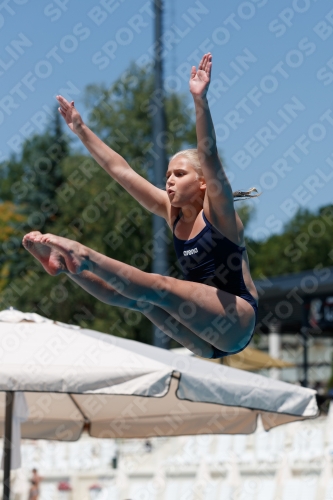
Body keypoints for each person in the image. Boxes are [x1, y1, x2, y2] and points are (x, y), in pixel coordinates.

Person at [22, 53, 259, 359]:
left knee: (158, 286)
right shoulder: (172, 211)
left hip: (236, 320)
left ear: (203, 183)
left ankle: (82, 254)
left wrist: (200, 101)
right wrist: (82, 130)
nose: (169, 181)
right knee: (141, 301)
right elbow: (122, 172)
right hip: (203, 339)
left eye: (179, 174)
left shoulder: (220, 214)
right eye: (167, 176)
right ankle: (68, 267)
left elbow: (209, 155)